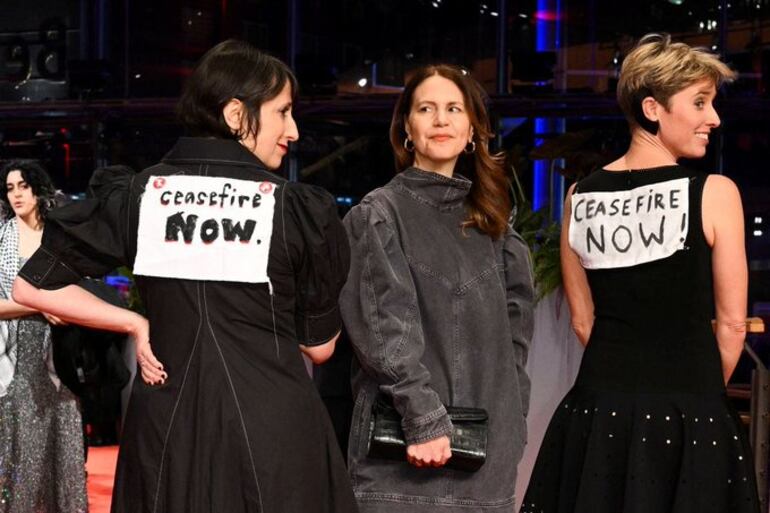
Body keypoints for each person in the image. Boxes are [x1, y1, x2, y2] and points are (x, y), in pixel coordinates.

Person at [12, 40, 358, 513]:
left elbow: (31, 285)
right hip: (272, 430)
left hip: (167, 425)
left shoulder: (141, 194)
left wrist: (134, 323)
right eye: (283, 113)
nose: (293, 130)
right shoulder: (293, 209)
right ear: (237, 114)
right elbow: (319, 347)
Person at [522, 34, 760, 513]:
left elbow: (582, 321)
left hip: (596, 408)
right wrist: (690, 389)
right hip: (690, 407)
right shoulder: (714, 193)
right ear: (652, 107)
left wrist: (629, 378)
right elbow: (733, 326)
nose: (713, 118)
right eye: (699, 102)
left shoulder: (579, 198)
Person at [340, 64, 535, 512]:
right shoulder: (378, 214)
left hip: (488, 468)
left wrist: (514, 421)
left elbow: (516, 343)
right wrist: (424, 419)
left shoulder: (495, 229)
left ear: (472, 131)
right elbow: (384, 331)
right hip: (404, 461)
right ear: (407, 128)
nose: (441, 119)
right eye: (426, 109)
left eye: (453, 109)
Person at [0, 161, 87, 513]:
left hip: (59, 357)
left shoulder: (59, 238)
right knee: (15, 452)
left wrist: (61, 308)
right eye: (10, 188)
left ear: (38, 190)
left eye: (23, 185)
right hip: (10, 359)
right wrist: (38, 308)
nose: (17, 194)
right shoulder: (1, 239)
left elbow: (79, 292)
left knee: (56, 448)